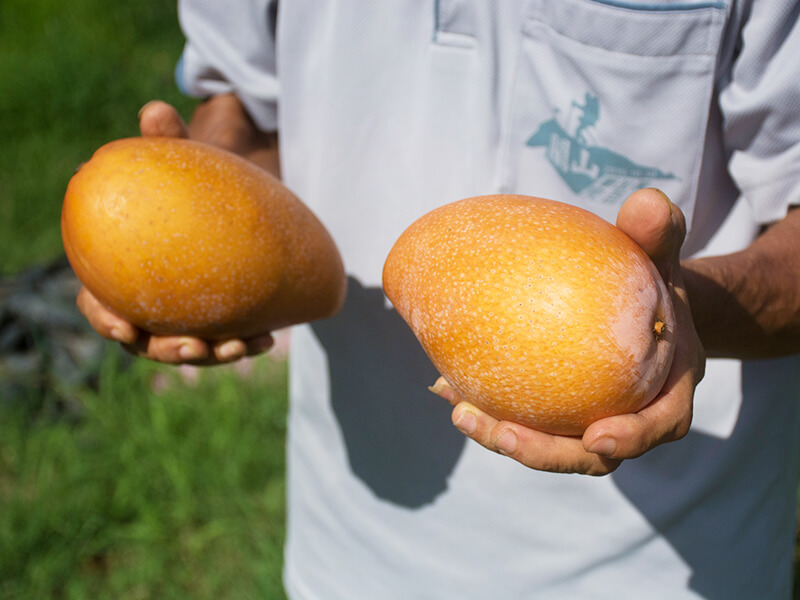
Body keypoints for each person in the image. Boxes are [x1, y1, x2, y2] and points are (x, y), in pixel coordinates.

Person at [77, 1, 800, 598]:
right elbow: (243, 101)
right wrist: (206, 228)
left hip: (666, 565)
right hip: (351, 538)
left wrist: (685, 310)